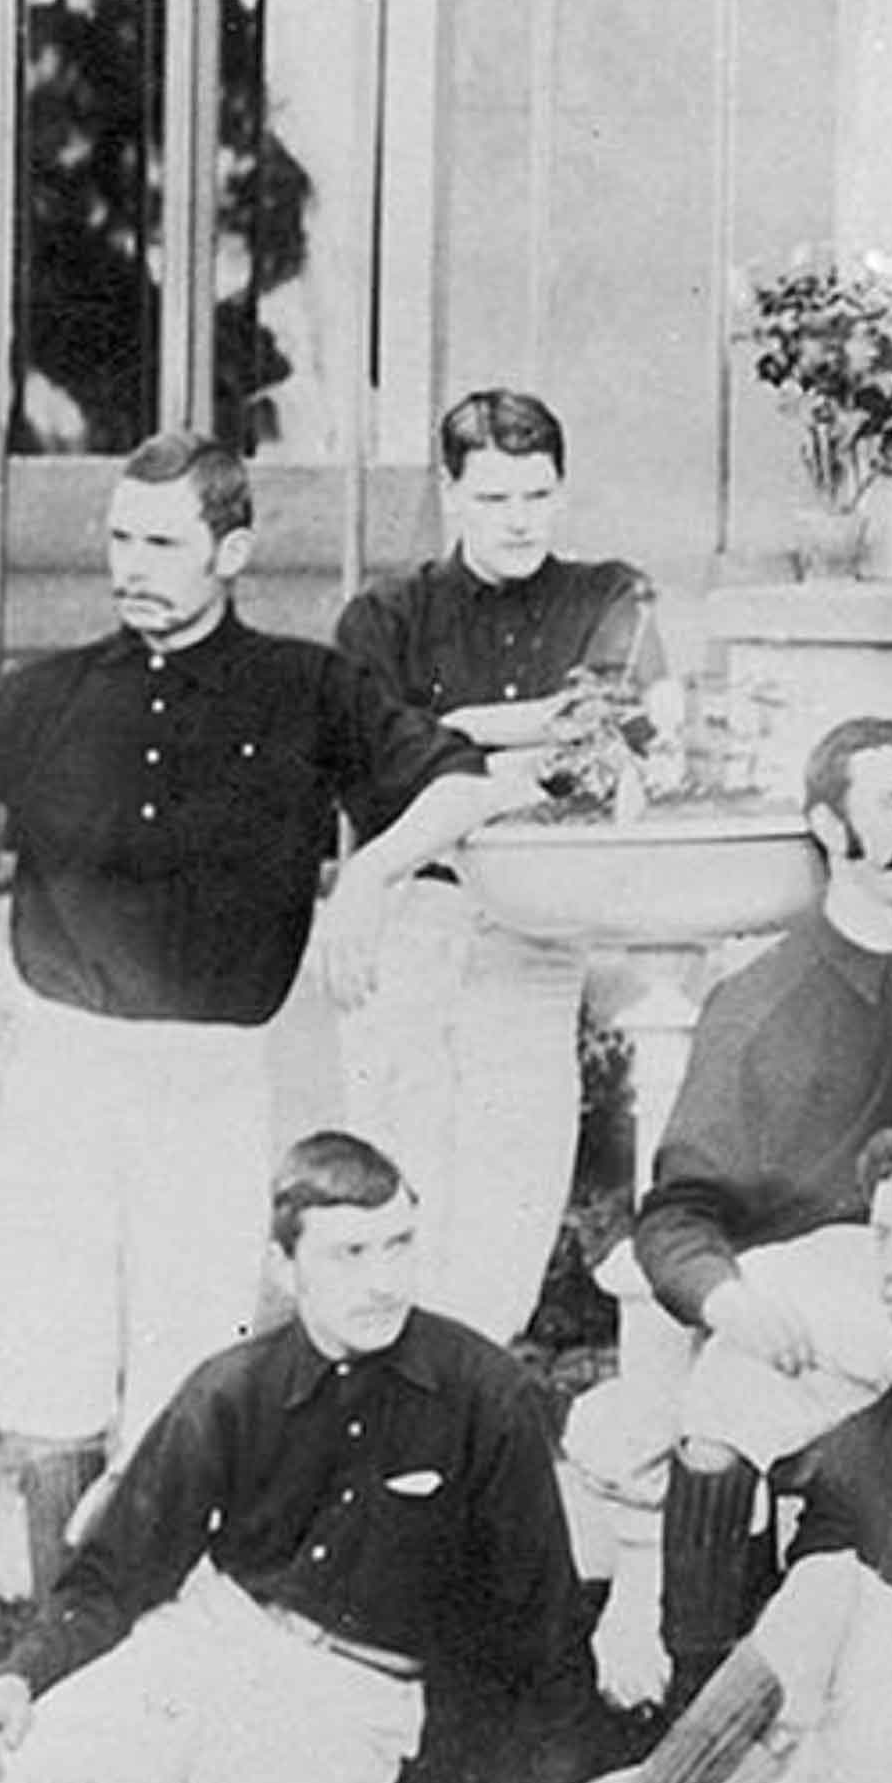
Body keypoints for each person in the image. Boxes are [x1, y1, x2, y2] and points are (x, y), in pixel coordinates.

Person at [38, 1112, 892, 1783]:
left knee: (822, 1592)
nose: (889, 1266)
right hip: (850, 1779)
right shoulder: (853, 1439)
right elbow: (800, 1698)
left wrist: (821, 1635)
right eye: (879, 1235)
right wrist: (688, 1773)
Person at [0, 433, 515, 1595]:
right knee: (53, 1363)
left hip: (214, 1073)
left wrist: (365, 874)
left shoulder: (305, 687)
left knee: (192, 1359)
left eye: (161, 541)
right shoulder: (52, 694)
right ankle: (56, 1638)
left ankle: (157, 1635)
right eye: (118, 537)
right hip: (67, 1064)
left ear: (232, 549)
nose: (131, 563)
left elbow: (460, 778)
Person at [0, 1133, 587, 1783]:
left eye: (398, 1246)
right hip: (203, 1651)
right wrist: (13, 1682)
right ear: (285, 1268)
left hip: (350, 1705)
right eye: (349, 1254)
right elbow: (115, 1575)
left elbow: (546, 1626)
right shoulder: (232, 1389)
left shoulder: (485, 1396)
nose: (384, 1282)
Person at [605, 717, 892, 1713]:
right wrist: (729, 1303)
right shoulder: (762, 1000)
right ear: (826, 826)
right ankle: (707, 1711)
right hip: (809, 1308)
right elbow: (675, 1215)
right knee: (729, 1390)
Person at [334, 388, 663, 1343]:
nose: (520, 522)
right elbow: (371, 780)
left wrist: (453, 736)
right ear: (450, 495)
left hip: (537, 934)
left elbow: (616, 750)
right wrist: (520, 740)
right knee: (392, 1200)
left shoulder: (606, 595)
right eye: (494, 501)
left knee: (511, 1203)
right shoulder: (387, 617)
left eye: (538, 496)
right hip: (415, 929)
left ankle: (466, 1431)